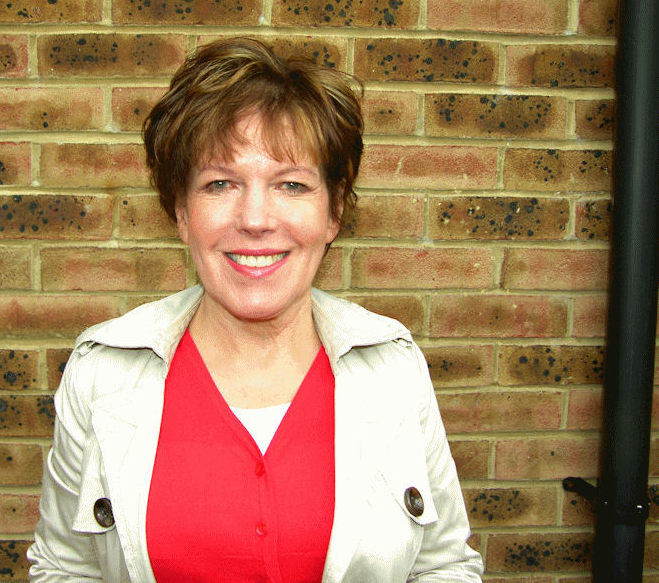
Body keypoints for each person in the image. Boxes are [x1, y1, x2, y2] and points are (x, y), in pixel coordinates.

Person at [28, 38, 484, 582]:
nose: (255, 219)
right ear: (181, 213)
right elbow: (64, 568)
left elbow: (444, 565)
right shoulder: (104, 374)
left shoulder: (392, 369)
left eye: (291, 184)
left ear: (334, 211)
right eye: (220, 183)